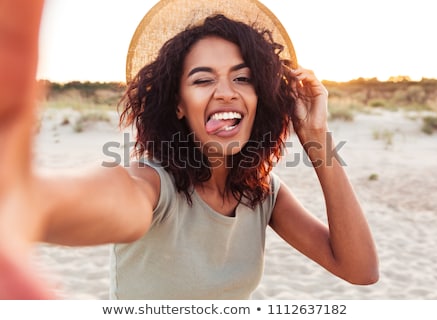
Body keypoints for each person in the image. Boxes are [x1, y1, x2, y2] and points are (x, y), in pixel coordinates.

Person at [0, 0, 378, 300]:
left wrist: (316, 137)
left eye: (242, 78)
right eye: (203, 79)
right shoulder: (152, 184)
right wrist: (31, 203)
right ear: (178, 105)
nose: (226, 91)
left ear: (259, 98)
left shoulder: (264, 194)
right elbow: (114, 197)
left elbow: (359, 269)